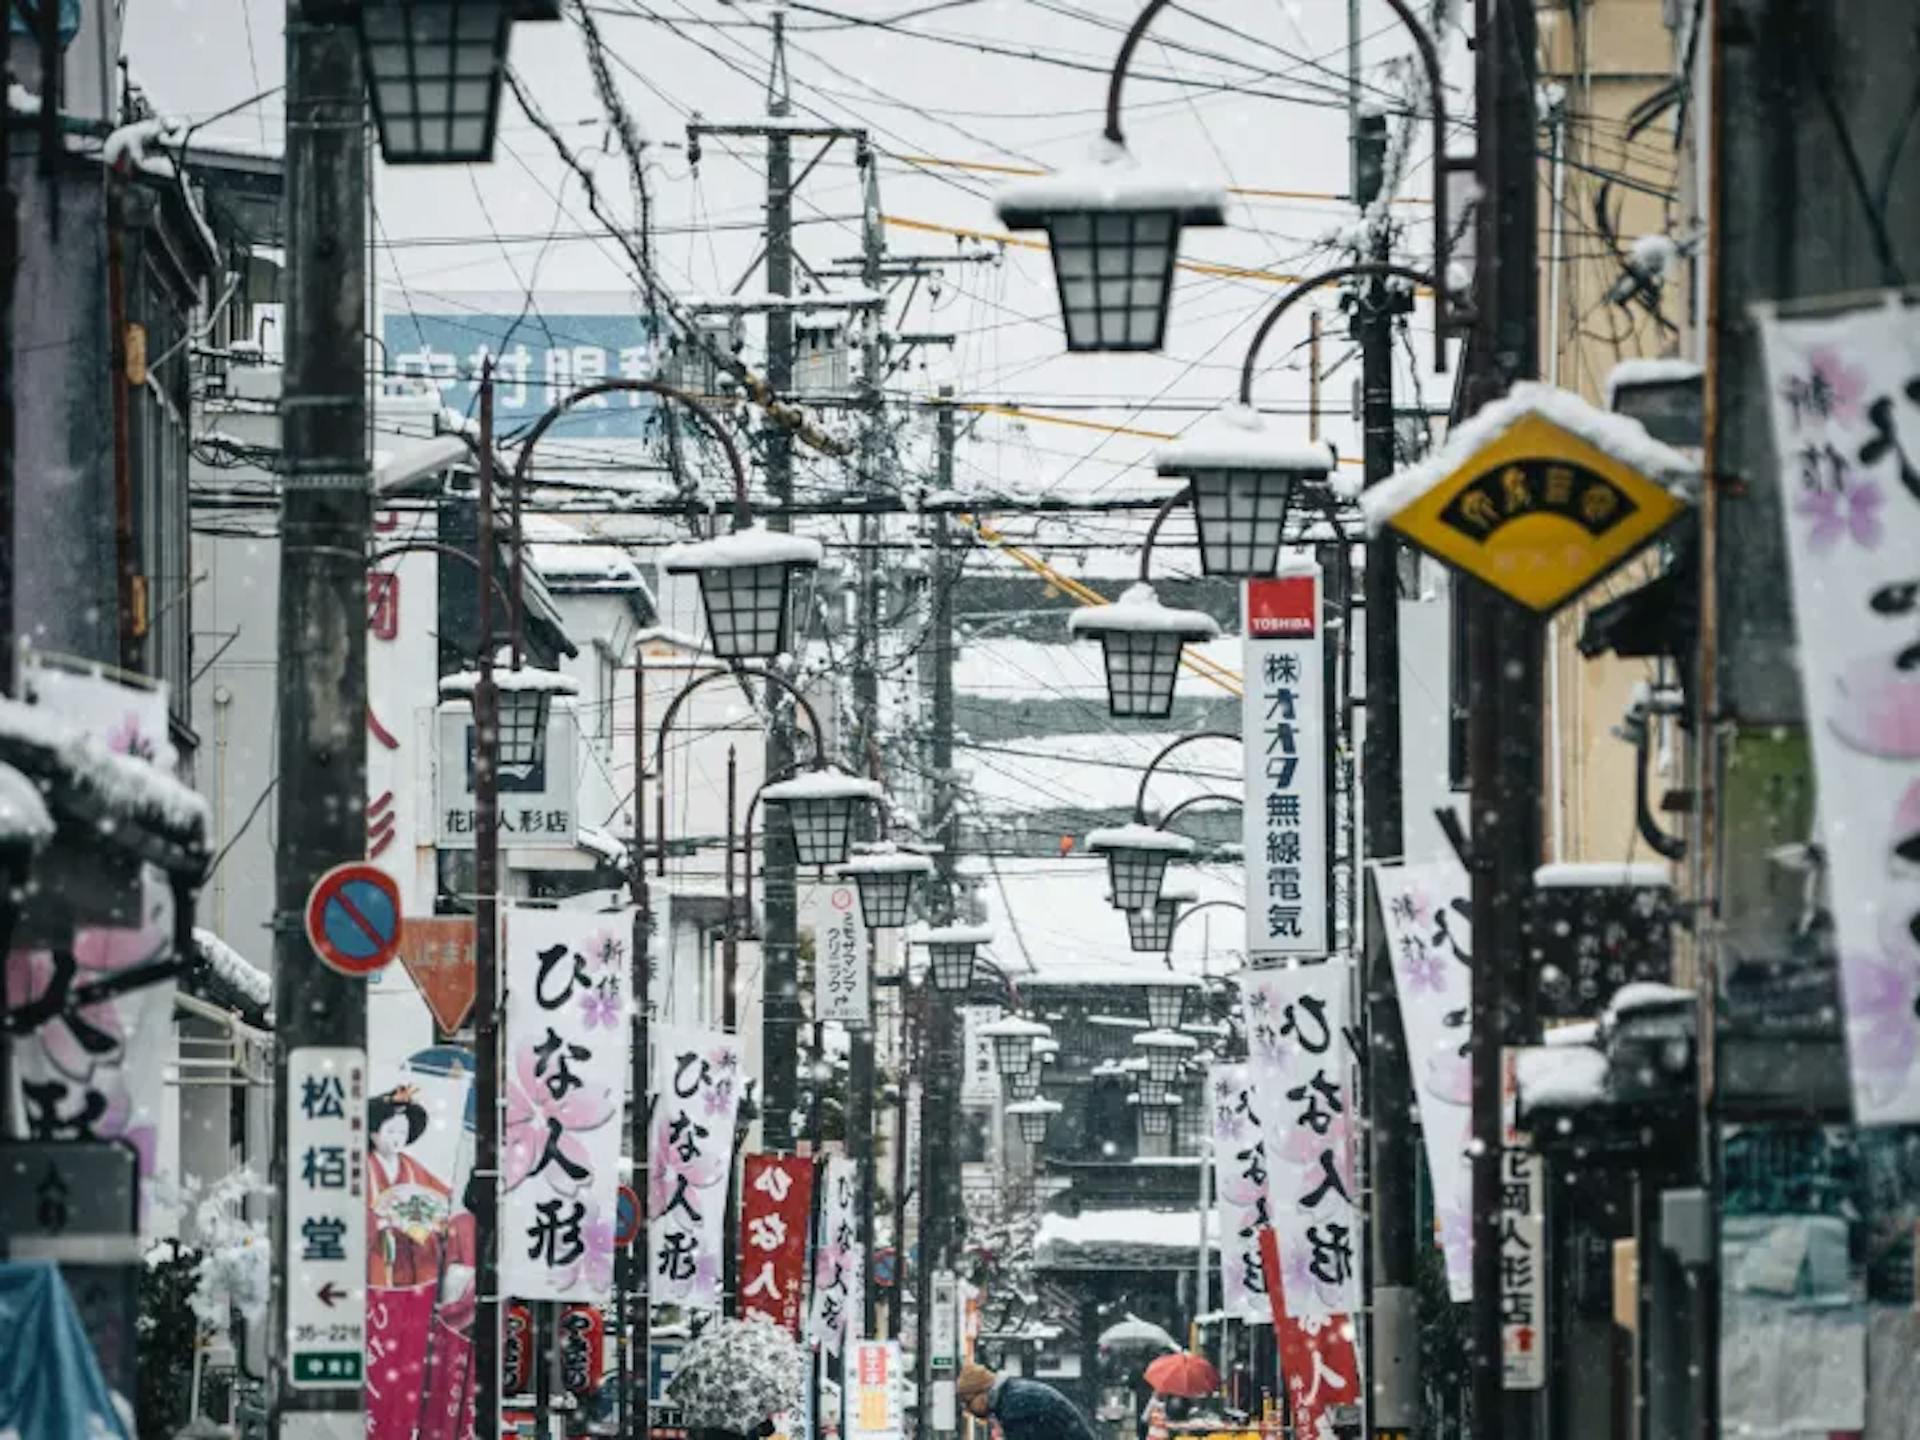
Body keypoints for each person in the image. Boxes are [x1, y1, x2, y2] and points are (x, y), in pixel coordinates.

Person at [957, 1364, 1101, 1440]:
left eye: (969, 1402)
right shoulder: (1014, 1395)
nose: (968, 1410)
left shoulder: (1015, 1408)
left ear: (982, 1393)